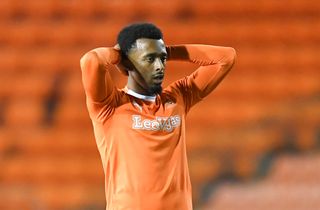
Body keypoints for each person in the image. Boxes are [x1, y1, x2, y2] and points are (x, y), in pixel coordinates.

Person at [80, 22, 236, 210]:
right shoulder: (109, 105)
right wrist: (118, 55)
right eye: (149, 59)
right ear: (128, 63)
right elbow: (91, 60)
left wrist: (168, 51)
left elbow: (226, 57)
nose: (160, 66)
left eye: (162, 59)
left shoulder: (178, 97)